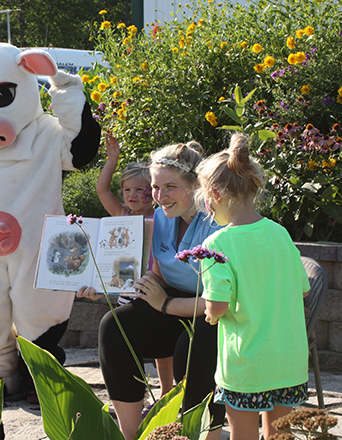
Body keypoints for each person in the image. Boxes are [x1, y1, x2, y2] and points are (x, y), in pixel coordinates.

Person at [78, 140, 225, 439]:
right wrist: (105, 286)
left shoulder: (217, 223)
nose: (159, 196)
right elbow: (158, 277)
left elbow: (221, 301)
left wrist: (166, 305)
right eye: (156, 188)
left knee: (192, 344)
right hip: (173, 303)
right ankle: (132, 433)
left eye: (170, 187)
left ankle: (198, 431)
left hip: (220, 316)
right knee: (115, 325)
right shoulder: (160, 217)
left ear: (196, 184)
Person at [198, 134, 310, 440]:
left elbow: (217, 307)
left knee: (243, 435)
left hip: (246, 364)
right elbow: (302, 289)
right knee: (279, 435)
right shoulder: (280, 233)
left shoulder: (216, 244)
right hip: (289, 361)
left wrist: (210, 314)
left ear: (214, 195)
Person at [95, 132, 174, 402]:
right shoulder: (122, 216)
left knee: (163, 349)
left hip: (156, 286)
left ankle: (166, 390)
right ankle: (136, 393)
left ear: (152, 193)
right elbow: (101, 190)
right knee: (129, 342)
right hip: (129, 288)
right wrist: (112, 160)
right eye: (127, 190)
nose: (132, 195)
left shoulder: (162, 216)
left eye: (140, 190)